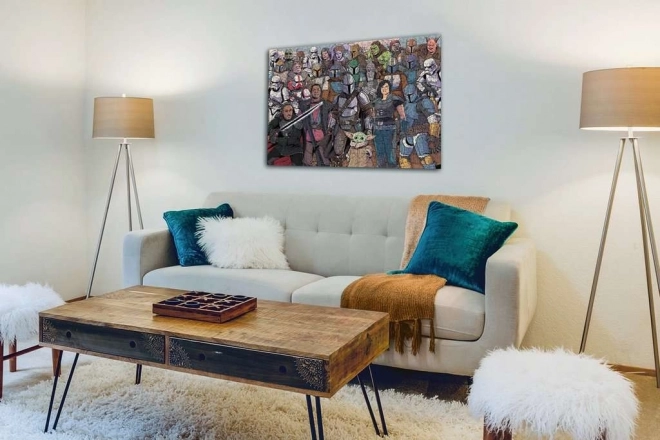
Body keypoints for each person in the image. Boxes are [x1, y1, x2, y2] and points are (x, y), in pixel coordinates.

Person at [373, 79, 405, 168]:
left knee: (390, 150)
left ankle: (392, 168)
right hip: (377, 130)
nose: (384, 89)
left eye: (386, 87)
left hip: (390, 129)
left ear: (390, 88)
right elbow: (373, 115)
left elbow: (402, 116)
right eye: (382, 87)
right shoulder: (376, 101)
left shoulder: (395, 99)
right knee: (379, 151)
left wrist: (401, 130)